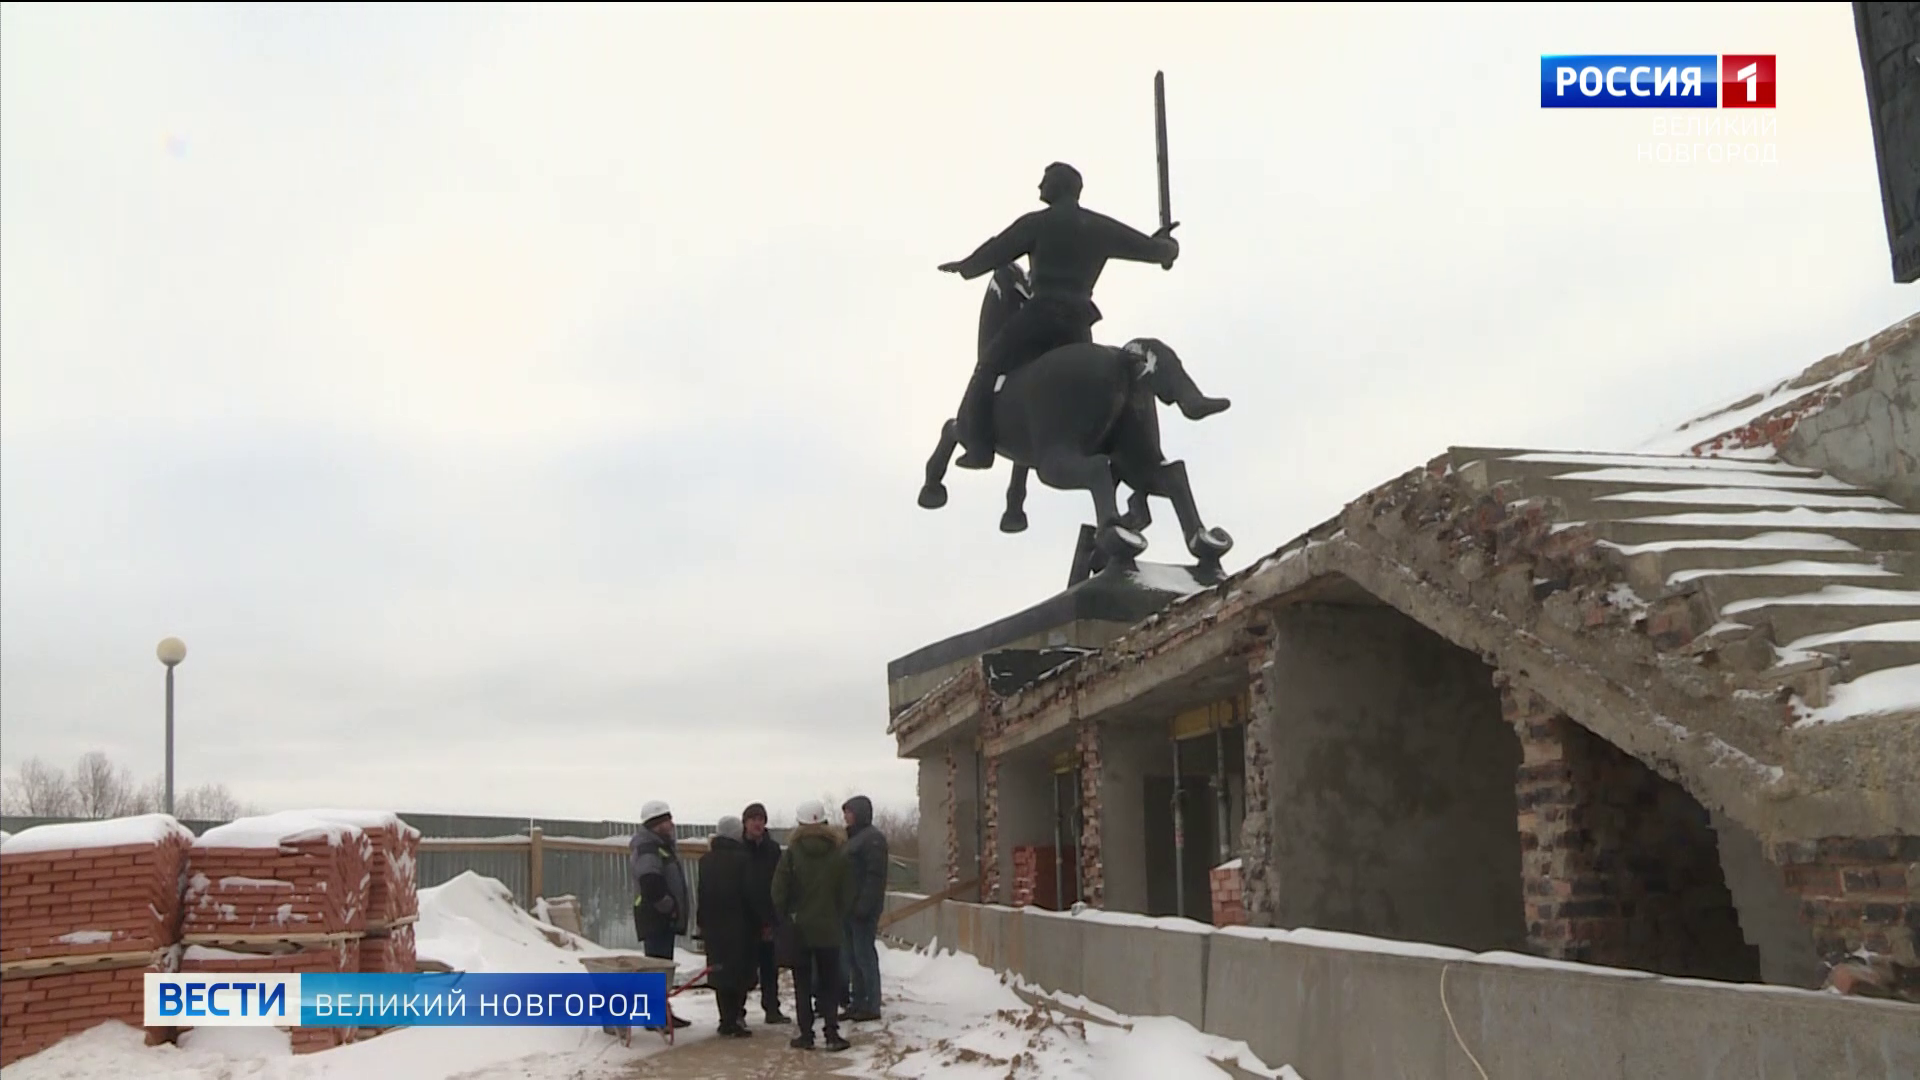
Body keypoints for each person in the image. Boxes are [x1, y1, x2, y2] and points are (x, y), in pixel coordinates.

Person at [937, 162, 1226, 469]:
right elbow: (1150, 249)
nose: (1039, 187)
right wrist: (1166, 247)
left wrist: (966, 267)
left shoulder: (1038, 223)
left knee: (987, 367)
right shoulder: (1098, 226)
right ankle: (1182, 399)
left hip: (1040, 316)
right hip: (1077, 325)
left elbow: (998, 250)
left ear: (1059, 186)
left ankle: (980, 447)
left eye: (1044, 181)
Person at [771, 799, 853, 1052]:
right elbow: (849, 891)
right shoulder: (839, 852)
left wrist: (787, 916)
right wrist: (837, 915)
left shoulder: (792, 853)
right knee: (829, 983)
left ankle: (806, 1034)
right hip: (829, 929)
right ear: (825, 822)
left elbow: (778, 891)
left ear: (800, 823)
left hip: (800, 930)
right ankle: (831, 1033)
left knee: (803, 984)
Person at [697, 815, 773, 1038]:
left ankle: (726, 1019)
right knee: (740, 972)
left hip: (714, 926)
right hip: (741, 926)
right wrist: (764, 920)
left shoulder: (706, 861)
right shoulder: (744, 860)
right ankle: (735, 1018)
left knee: (720, 972)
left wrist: (701, 922)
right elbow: (753, 895)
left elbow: (702, 894)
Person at [629, 799, 692, 1030]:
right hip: (655, 916)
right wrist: (669, 906)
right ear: (656, 824)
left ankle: (661, 1013)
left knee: (661, 967)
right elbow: (650, 882)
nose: (671, 824)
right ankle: (654, 1017)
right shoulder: (648, 847)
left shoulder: (659, 845)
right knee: (657, 968)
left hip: (660, 917)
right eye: (667, 820)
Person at [838, 795, 888, 1023]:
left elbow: (874, 877)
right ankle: (857, 1002)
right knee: (852, 958)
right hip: (849, 909)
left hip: (862, 910)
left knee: (864, 956)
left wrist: (864, 906)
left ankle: (871, 1003)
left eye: (849, 812)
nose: (846, 816)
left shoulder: (872, 840)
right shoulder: (854, 839)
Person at [742, 802, 790, 1025]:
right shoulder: (739, 848)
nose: (757, 823)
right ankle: (737, 1012)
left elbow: (780, 882)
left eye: (761, 819)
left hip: (769, 916)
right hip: (745, 917)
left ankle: (772, 1008)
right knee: (744, 967)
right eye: (753, 819)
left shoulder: (772, 850)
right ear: (745, 823)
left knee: (770, 967)